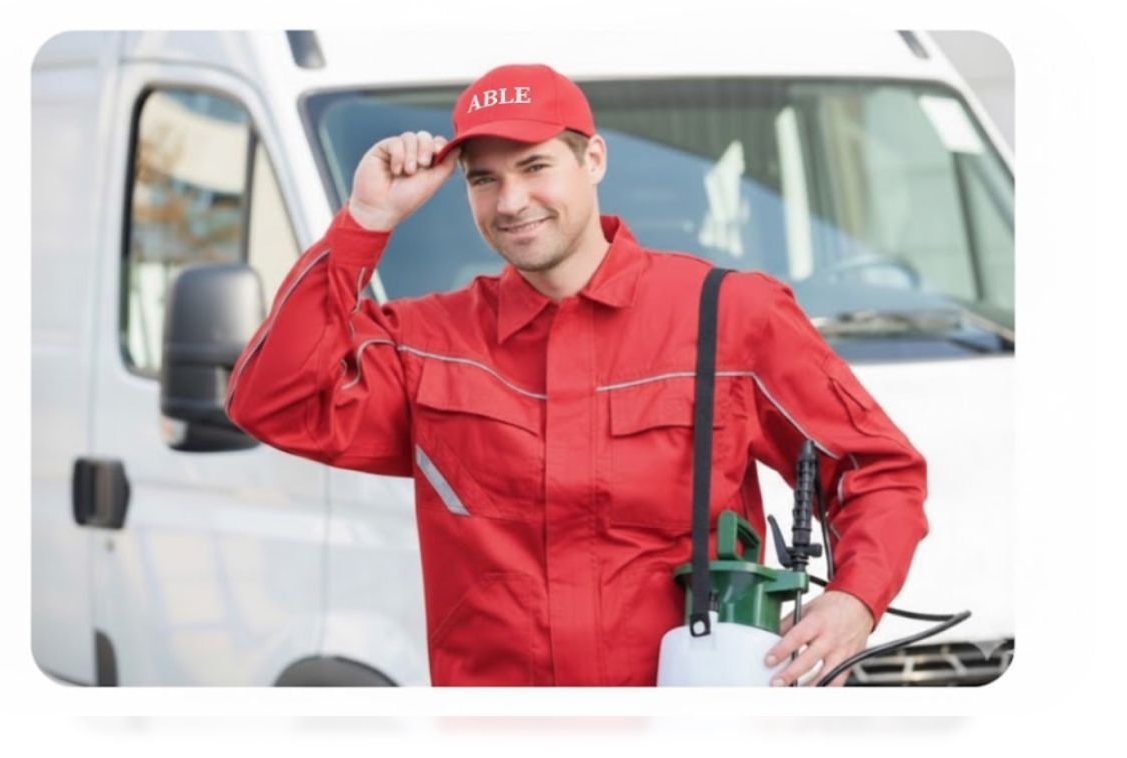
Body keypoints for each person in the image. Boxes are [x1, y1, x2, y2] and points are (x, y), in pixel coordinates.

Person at [225, 63, 928, 687]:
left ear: (592, 158)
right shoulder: (427, 342)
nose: (510, 202)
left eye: (534, 167)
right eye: (484, 179)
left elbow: (879, 469)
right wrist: (364, 222)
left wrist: (854, 601)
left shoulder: (730, 315)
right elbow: (273, 402)